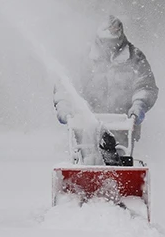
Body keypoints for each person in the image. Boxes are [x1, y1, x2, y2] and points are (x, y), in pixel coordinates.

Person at [53, 16, 158, 144]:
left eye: (114, 41)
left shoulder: (135, 57)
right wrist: (64, 105)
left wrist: (139, 105)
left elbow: (145, 85)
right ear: (99, 39)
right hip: (86, 126)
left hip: (124, 126)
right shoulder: (84, 58)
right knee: (89, 156)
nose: (110, 46)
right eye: (106, 41)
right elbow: (66, 85)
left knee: (121, 156)